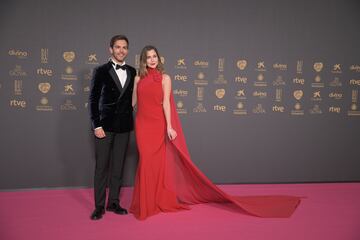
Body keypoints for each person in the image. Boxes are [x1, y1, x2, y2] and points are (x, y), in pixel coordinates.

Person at [130, 45, 301, 220]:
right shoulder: (137, 79)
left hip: (158, 125)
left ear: (159, 58)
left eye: (155, 56)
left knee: (157, 164)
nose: (152, 60)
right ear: (143, 60)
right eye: (149, 57)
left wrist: (169, 127)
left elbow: (166, 103)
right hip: (143, 125)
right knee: (146, 162)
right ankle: (146, 203)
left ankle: (154, 201)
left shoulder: (165, 78)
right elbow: (133, 103)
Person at [89, 35, 136, 220]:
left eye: (124, 47)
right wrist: (96, 125)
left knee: (118, 167)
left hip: (124, 127)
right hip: (104, 127)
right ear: (111, 49)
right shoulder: (100, 70)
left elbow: (134, 98)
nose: (121, 50)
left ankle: (114, 202)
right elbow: (93, 100)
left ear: (128, 50)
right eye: (117, 47)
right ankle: (99, 206)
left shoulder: (133, 71)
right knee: (102, 167)